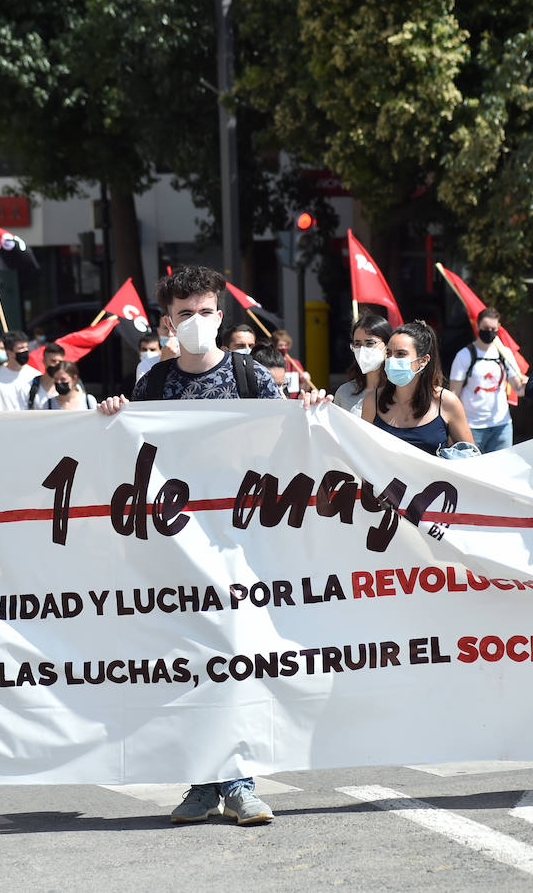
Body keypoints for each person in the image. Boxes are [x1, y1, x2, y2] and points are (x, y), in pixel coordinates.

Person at [99, 264, 329, 827]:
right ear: (167, 322)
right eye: (185, 315)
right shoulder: (152, 383)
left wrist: (312, 415)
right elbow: (133, 456)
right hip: (175, 550)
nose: (196, 322)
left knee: (234, 656)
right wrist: (110, 418)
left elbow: (285, 442)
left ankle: (238, 783)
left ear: (220, 316)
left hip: (240, 546)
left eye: (205, 312)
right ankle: (205, 784)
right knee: (192, 662)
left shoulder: (251, 377)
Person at [362, 321, 474, 455]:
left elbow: (471, 458)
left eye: (401, 354)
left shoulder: (447, 402)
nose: (392, 360)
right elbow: (361, 453)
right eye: (389, 353)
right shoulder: (372, 401)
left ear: (423, 361)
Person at [448, 307, 526, 452]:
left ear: (499, 328)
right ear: (477, 326)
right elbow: (453, 395)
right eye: (485, 328)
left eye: (493, 328)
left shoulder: (505, 354)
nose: (489, 332)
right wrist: (452, 427)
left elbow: (519, 390)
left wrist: (528, 383)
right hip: (472, 427)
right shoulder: (464, 355)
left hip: (502, 425)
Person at [334, 315, 392, 416]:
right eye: (357, 344)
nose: (362, 350)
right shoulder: (344, 393)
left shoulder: (400, 393)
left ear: (388, 346)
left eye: (370, 343)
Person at [0, 331, 39, 412]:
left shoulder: (35, 376)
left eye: (26, 347)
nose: (25, 351)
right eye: (21, 348)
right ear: (9, 352)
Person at [269, 329, 313, 397]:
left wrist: (306, 381)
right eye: (280, 345)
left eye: (285, 345)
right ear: (274, 346)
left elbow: (304, 388)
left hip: (294, 402)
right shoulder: (270, 363)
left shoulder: (295, 363)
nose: (283, 348)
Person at [27, 343, 67, 410]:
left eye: (60, 362)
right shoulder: (30, 387)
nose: (56, 365)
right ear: (44, 361)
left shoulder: (69, 386)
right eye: (53, 361)